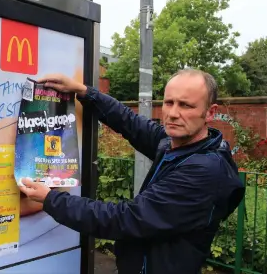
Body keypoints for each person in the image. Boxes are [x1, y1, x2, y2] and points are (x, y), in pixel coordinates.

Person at [19, 69, 245, 274]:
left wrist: (51, 199)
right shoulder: (175, 144)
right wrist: (84, 92)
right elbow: (131, 123)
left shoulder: (204, 172)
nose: (173, 113)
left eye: (186, 105)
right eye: (169, 102)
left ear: (210, 112)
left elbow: (125, 219)